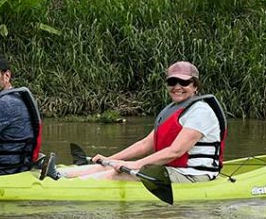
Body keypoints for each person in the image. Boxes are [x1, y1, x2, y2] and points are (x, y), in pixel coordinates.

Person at [41, 61, 227, 183]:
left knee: (118, 173)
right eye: (172, 82)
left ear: (195, 86)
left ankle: (66, 186)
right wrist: (112, 159)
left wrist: (136, 164)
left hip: (194, 174)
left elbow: (175, 151)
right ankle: (58, 175)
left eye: (184, 83)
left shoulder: (201, 111)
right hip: (172, 168)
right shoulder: (174, 110)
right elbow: (146, 144)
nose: (177, 87)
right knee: (110, 166)